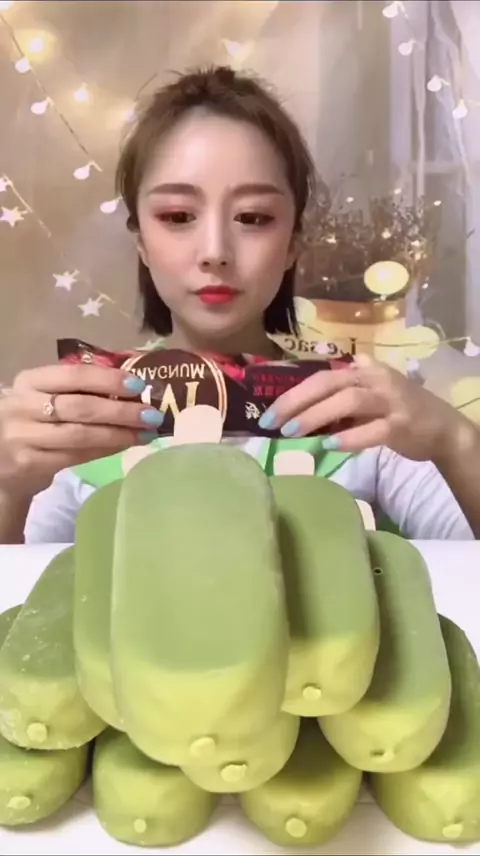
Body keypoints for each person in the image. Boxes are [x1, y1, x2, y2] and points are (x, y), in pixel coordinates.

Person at [0, 66, 479, 545]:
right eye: (177, 216)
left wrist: (456, 441)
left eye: (252, 217)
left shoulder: (356, 417)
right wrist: (6, 492)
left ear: (293, 244)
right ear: (141, 242)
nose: (215, 251)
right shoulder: (84, 423)